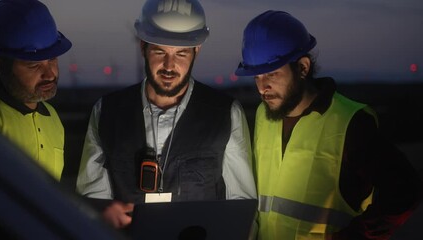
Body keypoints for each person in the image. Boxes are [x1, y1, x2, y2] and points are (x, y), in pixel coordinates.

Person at [235, 10, 422, 240]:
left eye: (271, 74)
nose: (262, 87)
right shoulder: (264, 115)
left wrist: (357, 235)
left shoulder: (350, 122)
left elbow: (405, 192)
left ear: (303, 68)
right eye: (256, 76)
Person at [76, 0, 256, 230]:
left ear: (196, 50)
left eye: (181, 53)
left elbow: (241, 210)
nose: (169, 66)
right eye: (160, 51)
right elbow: (93, 202)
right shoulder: (106, 111)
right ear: (142, 47)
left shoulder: (226, 113)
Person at [0, 0, 72, 180]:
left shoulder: (52, 118)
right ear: (1, 65)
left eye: (52, 59)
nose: (49, 74)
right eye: (34, 65)